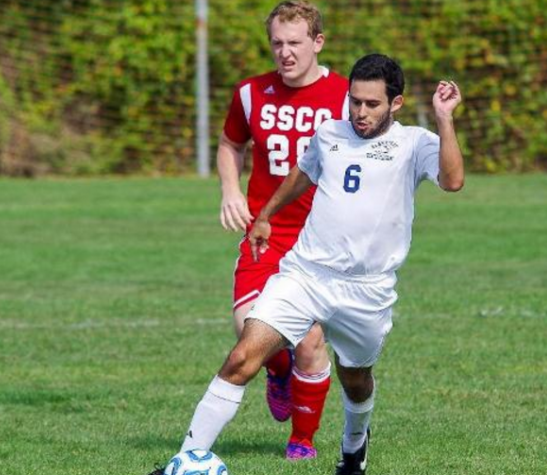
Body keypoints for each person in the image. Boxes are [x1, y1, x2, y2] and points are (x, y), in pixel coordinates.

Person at [163, 53, 464, 475]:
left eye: (372, 104)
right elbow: (303, 173)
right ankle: (184, 460)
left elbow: (452, 181)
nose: (360, 112)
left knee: (355, 380)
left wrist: (444, 119)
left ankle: (355, 446)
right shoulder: (329, 134)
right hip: (306, 275)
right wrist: (265, 215)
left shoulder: (415, 142)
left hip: (368, 290)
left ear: (395, 104)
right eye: (355, 101)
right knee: (241, 358)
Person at [215, 0, 349, 460]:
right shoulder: (251, 93)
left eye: (295, 43)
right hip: (264, 236)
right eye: (277, 43)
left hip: (321, 244)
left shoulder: (347, 97)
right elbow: (231, 143)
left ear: (318, 42)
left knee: (310, 340)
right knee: (248, 330)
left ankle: (302, 441)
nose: (285, 53)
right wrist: (231, 191)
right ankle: (277, 369)